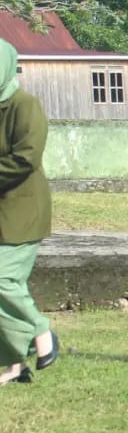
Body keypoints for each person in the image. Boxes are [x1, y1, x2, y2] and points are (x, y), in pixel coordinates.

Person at [0, 39, 58, 385]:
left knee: (3, 280)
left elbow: (27, 157)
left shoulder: (26, 105)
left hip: (23, 210)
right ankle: (14, 364)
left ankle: (42, 331)